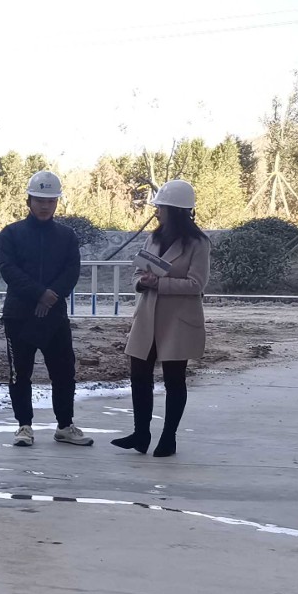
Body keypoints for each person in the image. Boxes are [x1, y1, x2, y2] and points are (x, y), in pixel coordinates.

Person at [0, 170, 94, 448]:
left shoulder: (66, 236)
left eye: (50, 200)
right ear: (28, 200)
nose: (45, 205)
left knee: (64, 373)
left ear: (57, 203)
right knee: (20, 373)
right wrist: (40, 293)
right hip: (19, 316)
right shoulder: (11, 233)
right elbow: (9, 270)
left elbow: (71, 271)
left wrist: (52, 296)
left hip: (55, 316)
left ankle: (64, 426)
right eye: (39, 200)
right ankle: (24, 426)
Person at [113, 178, 211, 458]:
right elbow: (138, 273)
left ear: (175, 210)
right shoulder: (153, 238)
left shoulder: (198, 244)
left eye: (161, 207)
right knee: (138, 375)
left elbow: (197, 284)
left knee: (174, 379)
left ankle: (169, 438)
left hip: (178, 320)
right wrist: (142, 282)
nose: (157, 212)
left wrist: (160, 283)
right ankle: (140, 433)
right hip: (147, 317)